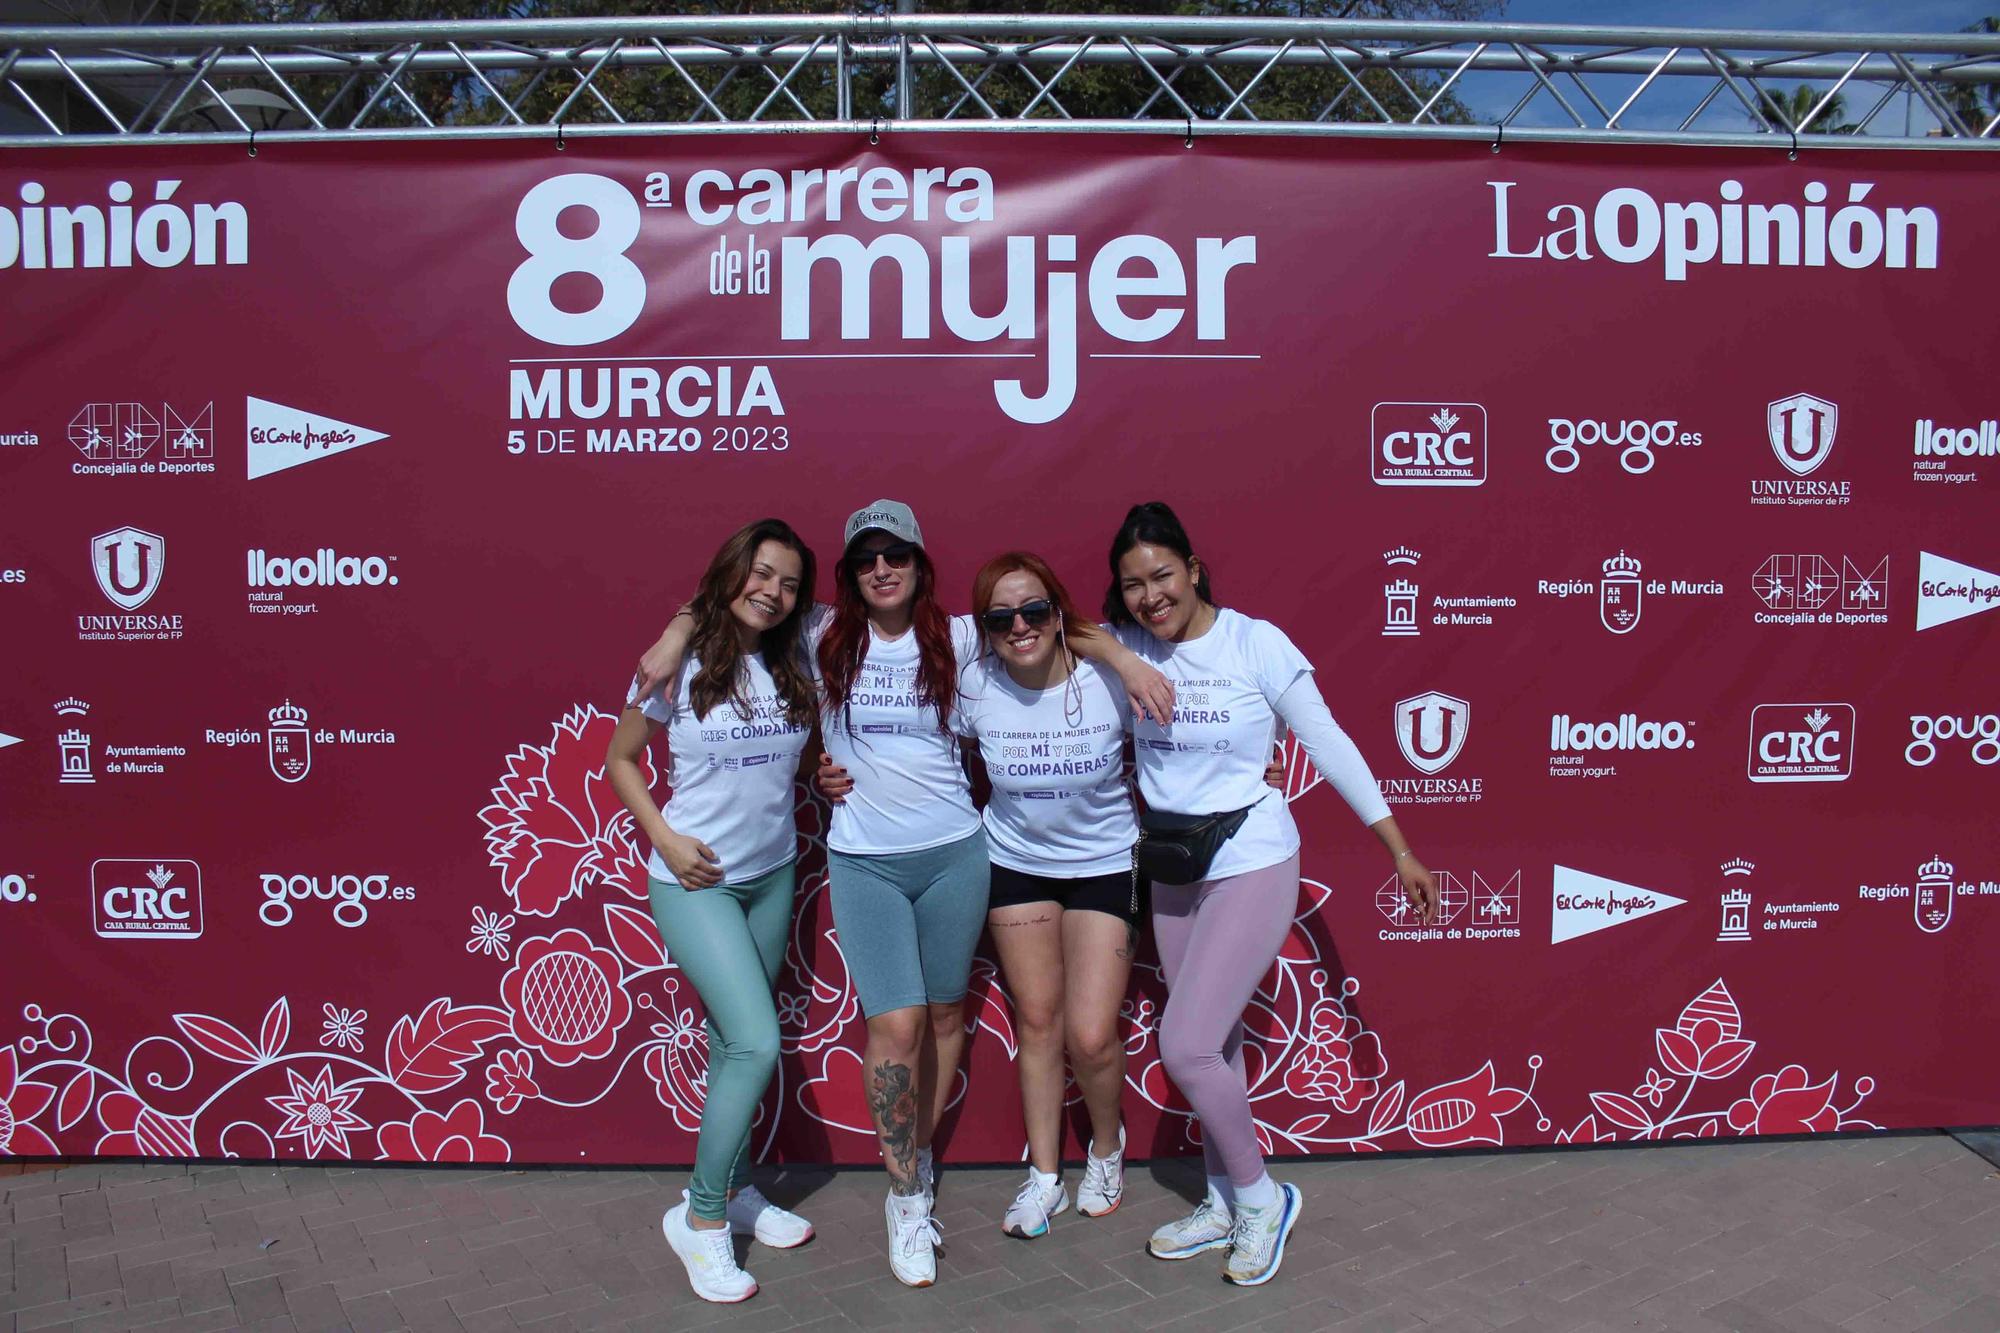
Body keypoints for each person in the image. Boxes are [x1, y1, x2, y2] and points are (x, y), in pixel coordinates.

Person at [635, 500, 1172, 1289]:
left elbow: (1057, 621)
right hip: (866, 861)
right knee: (896, 1021)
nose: (881, 568)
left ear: (920, 565)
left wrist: (1124, 662)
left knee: (947, 1014)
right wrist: (677, 629)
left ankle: (915, 1158)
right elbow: (732, 596)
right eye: (865, 558)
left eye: (897, 555)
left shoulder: (959, 636)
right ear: (851, 574)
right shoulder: (820, 634)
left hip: (957, 854)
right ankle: (904, 1195)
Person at [1105, 501, 1439, 1288]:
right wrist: (1121, 659)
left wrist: (1399, 847)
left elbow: (1328, 741)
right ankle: (1221, 1199)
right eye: (1131, 586)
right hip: (1174, 862)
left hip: (1252, 855)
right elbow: (1051, 625)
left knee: (1183, 1044)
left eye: (1162, 574)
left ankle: (1262, 1199)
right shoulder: (1125, 643)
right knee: (1214, 1045)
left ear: (1194, 567)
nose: (1151, 595)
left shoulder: (1255, 643)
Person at [604, 518, 820, 1305]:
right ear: (732, 572)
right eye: (761, 574)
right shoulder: (680, 663)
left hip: (771, 875)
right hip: (695, 882)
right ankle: (700, 1222)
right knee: (758, 1042)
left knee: (734, 1042)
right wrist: (663, 833)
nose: (773, 591)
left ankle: (732, 1191)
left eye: (790, 582)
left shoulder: (797, 655)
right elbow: (619, 760)